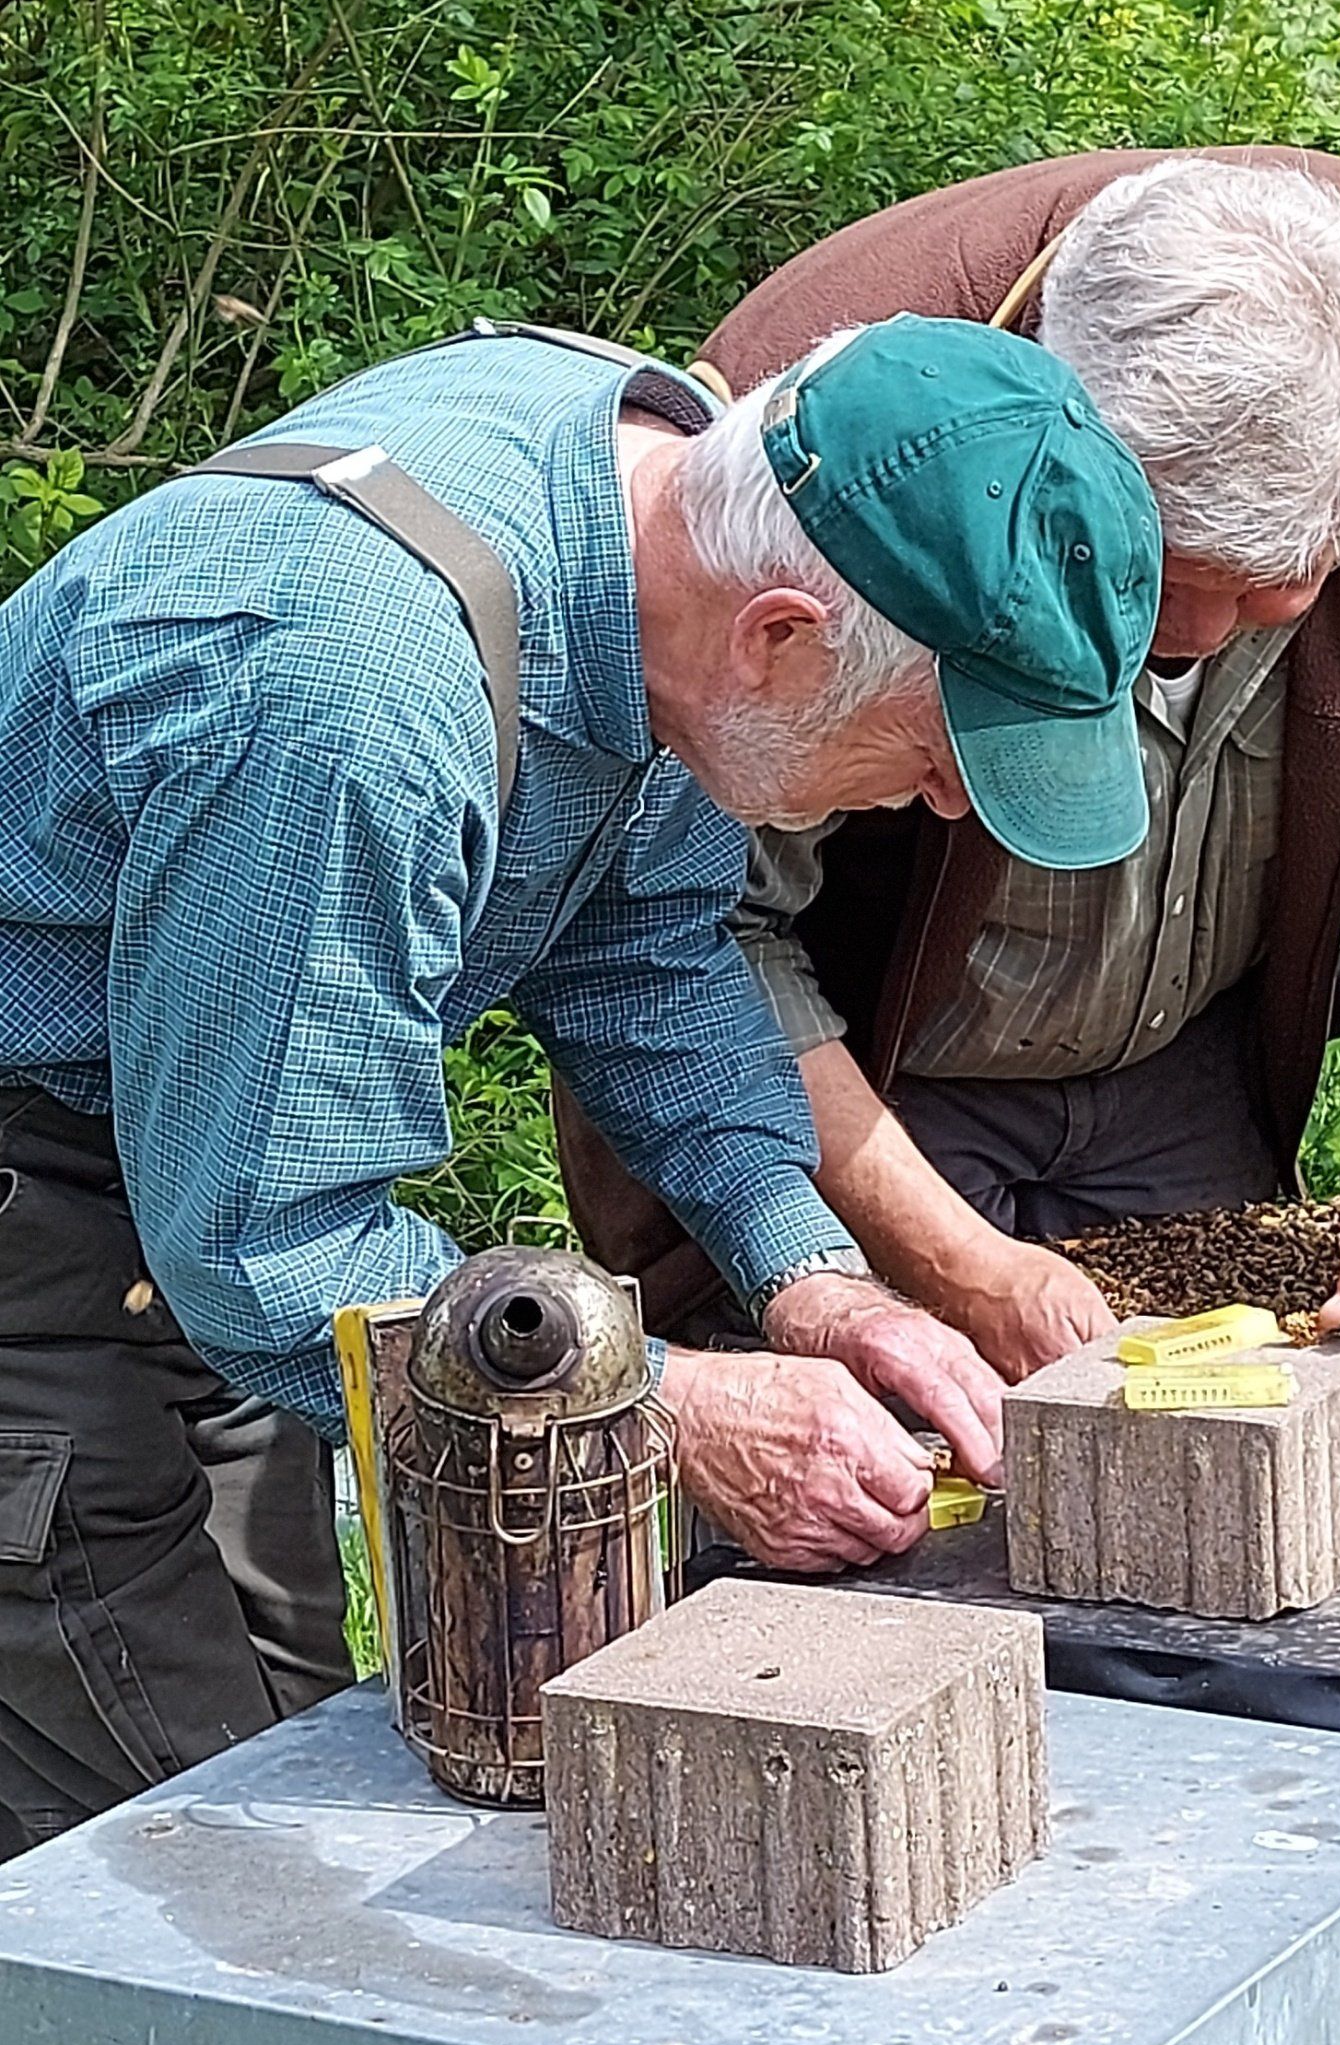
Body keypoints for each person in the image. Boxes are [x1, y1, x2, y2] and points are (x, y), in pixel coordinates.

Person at [0, 311, 1160, 1852]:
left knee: (293, 1746)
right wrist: (669, 1410)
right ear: (780, 636)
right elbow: (272, 1247)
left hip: (184, 1178)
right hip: (62, 1209)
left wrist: (814, 1278)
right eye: (945, 745)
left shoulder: (666, 520)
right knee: (184, 1845)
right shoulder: (356, 701)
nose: (950, 801)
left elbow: (645, 952)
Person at [558, 149, 1340, 1371]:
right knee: (857, 1463)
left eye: (1287, 579)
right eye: (1171, 575)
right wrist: (950, 1262)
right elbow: (676, 938)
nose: (1213, 635)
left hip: (1187, 1071)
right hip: (843, 1081)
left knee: (1231, 1449)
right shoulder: (834, 435)